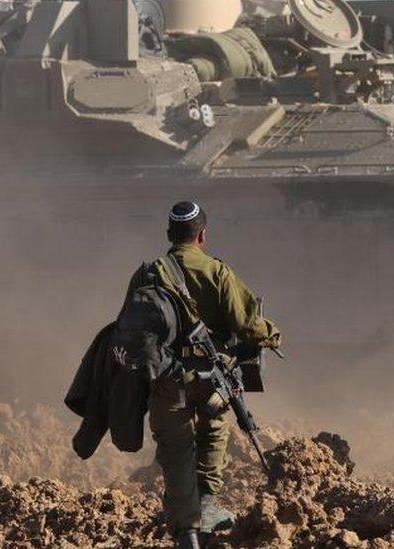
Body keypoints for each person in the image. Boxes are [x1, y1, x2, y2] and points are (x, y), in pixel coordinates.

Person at [137, 201, 282, 548]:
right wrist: (273, 333)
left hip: (165, 380)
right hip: (208, 379)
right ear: (202, 235)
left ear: (170, 235)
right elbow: (247, 324)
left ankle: (186, 528)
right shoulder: (217, 272)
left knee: (176, 452)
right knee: (213, 432)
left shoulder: (148, 273)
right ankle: (205, 505)